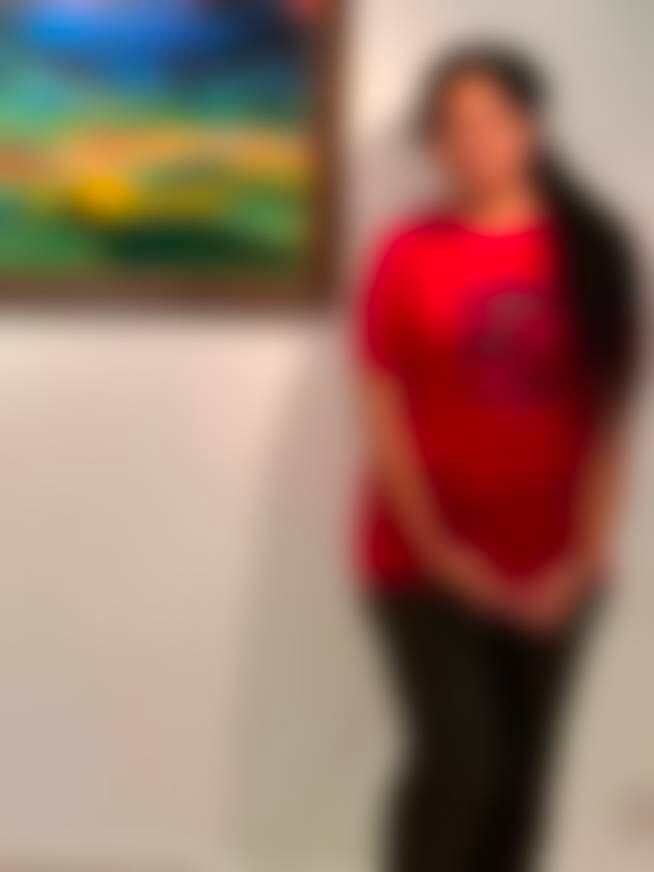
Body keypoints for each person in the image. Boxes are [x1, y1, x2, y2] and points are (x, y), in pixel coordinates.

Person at [354, 44, 639, 872]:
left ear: (532, 125)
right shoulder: (407, 252)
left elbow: (614, 421)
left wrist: (582, 558)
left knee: (522, 787)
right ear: (434, 144)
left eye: (491, 118)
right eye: (451, 126)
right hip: (421, 564)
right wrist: (443, 555)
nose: (472, 140)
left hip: (559, 570)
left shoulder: (595, 250)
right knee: (460, 772)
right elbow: (382, 415)